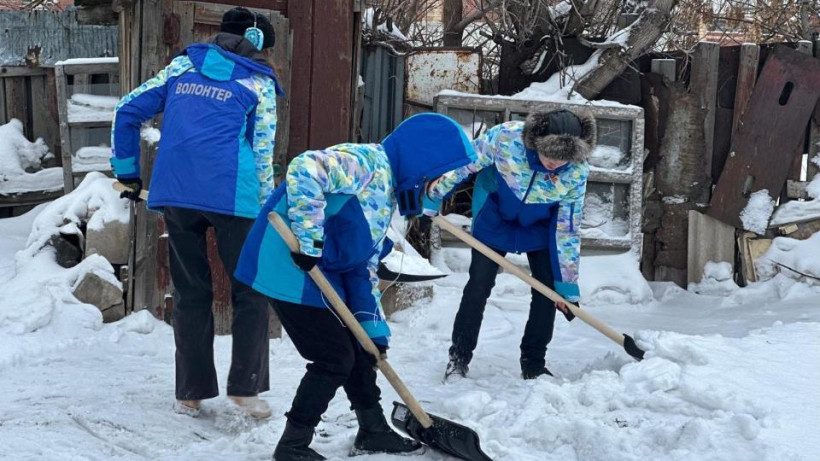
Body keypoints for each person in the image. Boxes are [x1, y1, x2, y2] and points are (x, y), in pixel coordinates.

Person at [234, 113, 477, 460]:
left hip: (322, 269)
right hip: (288, 265)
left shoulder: (387, 196)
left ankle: (372, 429)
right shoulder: (365, 164)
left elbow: (362, 267)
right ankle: (292, 445)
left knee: (361, 351)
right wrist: (310, 238)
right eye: (434, 175)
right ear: (421, 159)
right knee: (334, 357)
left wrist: (372, 329)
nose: (433, 185)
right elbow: (306, 169)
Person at [111, 7, 285, 418]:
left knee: (190, 292)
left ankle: (190, 391)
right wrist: (265, 205)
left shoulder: (179, 68)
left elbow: (127, 110)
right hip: (233, 197)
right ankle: (245, 388)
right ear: (257, 43)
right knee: (251, 290)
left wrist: (128, 173)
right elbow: (261, 152)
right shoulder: (257, 82)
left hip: (177, 192)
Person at [426, 109, 595, 381]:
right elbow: (465, 164)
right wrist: (434, 194)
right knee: (478, 285)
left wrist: (567, 284)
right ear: (536, 141)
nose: (554, 163)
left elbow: (567, 228)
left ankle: (533, 363)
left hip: (539, 227)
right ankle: (458, 357)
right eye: (550, 153)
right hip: (495, 217)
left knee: (547, 292)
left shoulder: (575, 172)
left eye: (563, 158)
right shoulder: (506, 138)